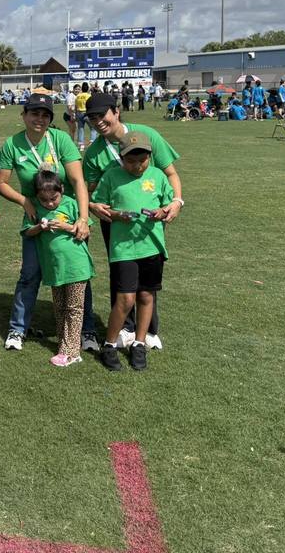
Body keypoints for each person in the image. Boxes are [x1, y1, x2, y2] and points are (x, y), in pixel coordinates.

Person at [83, 93, 183, 351]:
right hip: (115, 223)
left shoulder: (146, 134)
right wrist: (94, 206)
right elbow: (91, 191)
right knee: (122, 275)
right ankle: (125, 327)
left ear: (116, 111)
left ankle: (149, 330)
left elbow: (170, 173)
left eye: (101, 114)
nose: (98, 121)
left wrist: (176, 202)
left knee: (148, 276)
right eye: (91, 117)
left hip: (150, 221)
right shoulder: (95, 152)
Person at [0, 92, 92, 351]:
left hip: (67, 216)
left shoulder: (60, 139)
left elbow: (78, 182)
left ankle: (87, 331)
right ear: (24, 115)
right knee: (29, 275)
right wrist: (24, 201)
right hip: (35, 218)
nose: (39, 119)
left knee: (76, 274)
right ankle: (17, 330)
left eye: (45, 115)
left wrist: (83, 219)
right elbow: (1, 183)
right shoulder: (13, 144)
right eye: (34, 113)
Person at [92, 132, 175, 372]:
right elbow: (99, 207)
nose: (137, 166)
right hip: (124, 249)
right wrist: (117, 215)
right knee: (125, 299)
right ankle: (109, 345)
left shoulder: (158, 176)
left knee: (146, 296)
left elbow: (169, 204)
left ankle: (139, 343)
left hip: (152, 246)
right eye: (131, 161)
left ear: (149, 156)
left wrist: (162, 211)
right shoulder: (111, 177)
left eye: (142, 160)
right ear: (122, 158)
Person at [23, 169, 95, 367]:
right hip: (54, 268)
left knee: (74, 308)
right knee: (60, 308)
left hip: (76, 267)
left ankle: (71, 351)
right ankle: (64, 345)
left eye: (53, 199)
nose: (50, 204)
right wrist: (40, 227)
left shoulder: (72, 205)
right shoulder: (36, 209)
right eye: (44, 200)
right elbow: (27, 232)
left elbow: (84, 231)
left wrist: (67, 227)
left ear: (61, 190)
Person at [74, 82, 92, 149]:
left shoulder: (78, 96)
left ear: (82, 89)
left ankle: (81, 145)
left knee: (81, 129)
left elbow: (75, 106)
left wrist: (76, 114)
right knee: (93, 128)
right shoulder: (89, 96)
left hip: (79, 113)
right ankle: (92, 142)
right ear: (87, 89)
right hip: (87, 113)